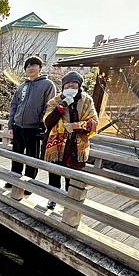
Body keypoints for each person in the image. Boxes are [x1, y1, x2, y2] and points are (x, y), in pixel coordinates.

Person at [44, 71, 98, 209]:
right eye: (67, 84)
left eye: (74, 83)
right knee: (55, 173)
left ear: (79, 85)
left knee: (73, 175)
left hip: (77, 144)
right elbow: (48, 122)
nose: (70, 86)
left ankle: (70, 202)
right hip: (57, 144)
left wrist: (74, 126)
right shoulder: (55, 101)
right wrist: (61, 107)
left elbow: (93, 122)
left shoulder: (87, 101)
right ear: (63, 86)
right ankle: (53, 198)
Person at [6, 56, 56, 193]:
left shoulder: (47, 85)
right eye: (28, 66)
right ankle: (14, 179)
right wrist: (11, 125)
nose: (30, 68)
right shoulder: (22, 86)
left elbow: (49, 107)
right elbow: (14, 105)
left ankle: (29, 184)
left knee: (32, 157)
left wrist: (42, 124)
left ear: (40, 68)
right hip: (18, 125)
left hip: (34, 127)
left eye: (34, 65)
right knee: (16, 154)